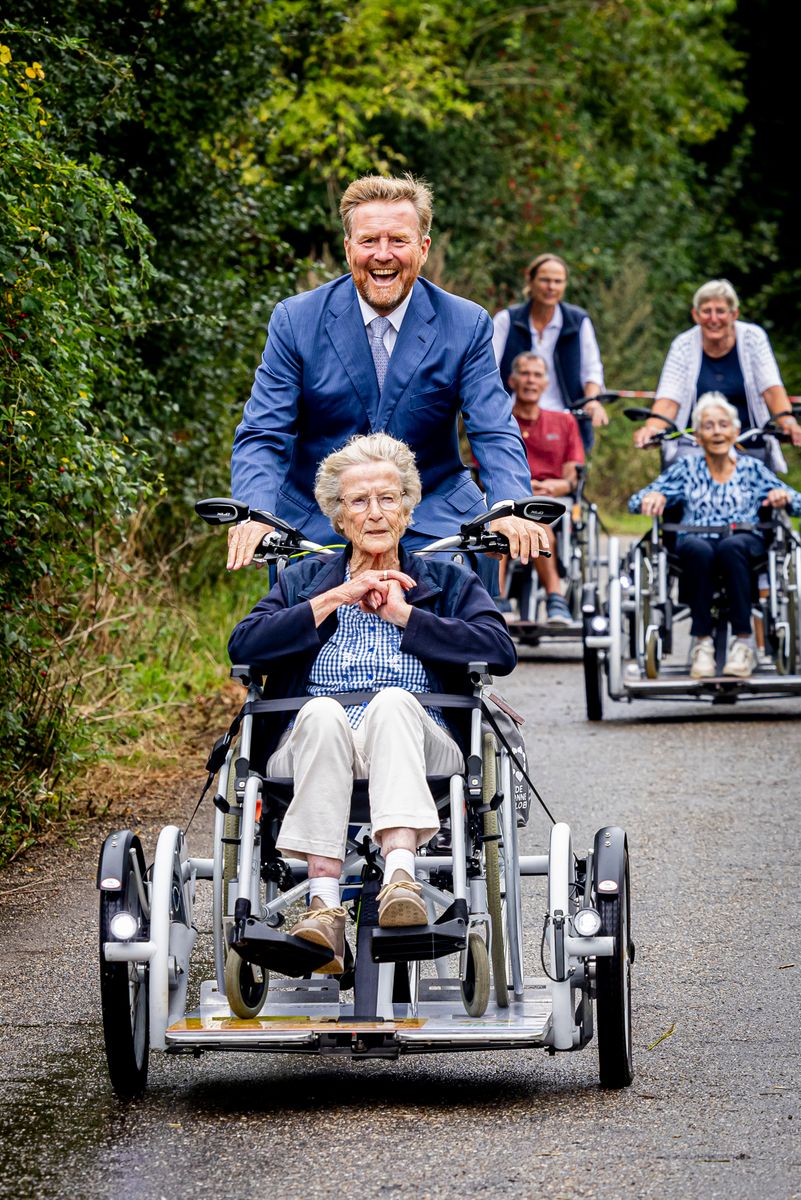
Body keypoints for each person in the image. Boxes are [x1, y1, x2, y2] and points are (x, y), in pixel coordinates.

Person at [227, 433, 517, 973]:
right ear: (338, 517)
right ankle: (323, 908)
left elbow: (498, 650)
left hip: (420, 740)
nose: (376, 513)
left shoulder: (448, 580)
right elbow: (244, 646)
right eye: (359, 501)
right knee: (320, 712)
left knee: (390, 703)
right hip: (314, 742)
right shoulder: (304, 582)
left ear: (409, 508)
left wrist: (408, 617)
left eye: (388, 498)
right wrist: (335, 598)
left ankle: (401, 880)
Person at [227, 173, 546, 578]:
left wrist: (510, 506)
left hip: (433, 513)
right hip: (320, 515)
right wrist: (256, 513)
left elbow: (494, 427)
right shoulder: (296, 320)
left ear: (423, 248)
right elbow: (263, 431)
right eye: (369, 241)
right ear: (348, 249)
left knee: (462, 604)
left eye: (398, 240)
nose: (383, 254)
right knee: (292, 618)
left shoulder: (466, 323)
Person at [629, 393, 801, 680]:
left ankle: (744, 643)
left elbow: (797, 501)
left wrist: (782, 495)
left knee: (732, 546)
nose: (717, 431)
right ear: (697, 436)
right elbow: (636, 501)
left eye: (723, 425)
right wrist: (653, 496)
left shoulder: (752, 469)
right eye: (708, 426)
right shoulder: (685, 469)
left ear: (735, 432)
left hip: (744, 543)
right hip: (696, 543)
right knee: (698, 548)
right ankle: (702, 644)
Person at [633, 279, 801, 471]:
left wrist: (787, 423)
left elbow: (771, 390)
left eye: (720, 311)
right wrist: (653, 428)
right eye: (706, 311)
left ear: (734, 314)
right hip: (695, 445)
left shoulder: (753, 339)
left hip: (749, 442)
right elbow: (669, 400)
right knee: (679, 476)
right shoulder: (683, 345)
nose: (713, 319)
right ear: (695, 315)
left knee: (773, 495)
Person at [492, 252, 608, 453]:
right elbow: (488, 369)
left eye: (558, 281)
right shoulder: (507, 320)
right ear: (530, 280)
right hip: (512, 418)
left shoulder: (578, 321)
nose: (551, 287)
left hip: (564, 419)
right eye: (545, 280)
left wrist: (591, 401)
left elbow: (592, 370)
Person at [504, 352, 584, 623]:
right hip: (510, 496)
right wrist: (524, 486)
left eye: (537, 375)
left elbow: (573, 477)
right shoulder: (500, 420)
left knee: (538, 523)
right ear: (512, 380)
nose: (530, 380)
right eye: (525, 374)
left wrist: (553, 487)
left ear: (546, 383)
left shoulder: (564, 422)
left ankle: (555, 598)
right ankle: (497, 598)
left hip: (553, 500)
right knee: (502, 523)